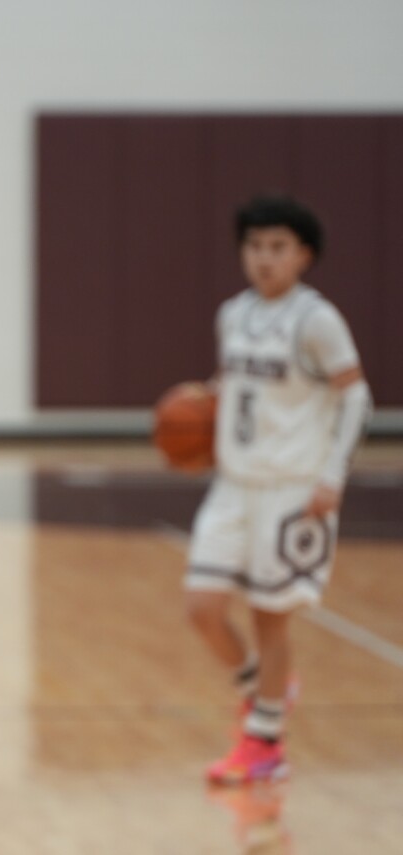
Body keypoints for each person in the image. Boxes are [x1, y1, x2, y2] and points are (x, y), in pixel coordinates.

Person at [185, 195, 372, 784]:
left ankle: (266, 744)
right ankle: (265, 690)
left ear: (303, 255)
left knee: (271, 620)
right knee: (203, 608)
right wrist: (199, 412)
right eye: (255, 246)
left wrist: (332, 475)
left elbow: (355, 394)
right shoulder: (231, 314)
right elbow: (235, 387)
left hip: (293, 490)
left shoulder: (316, 319)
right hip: (234, 483)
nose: (265, 258)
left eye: (278, 248)